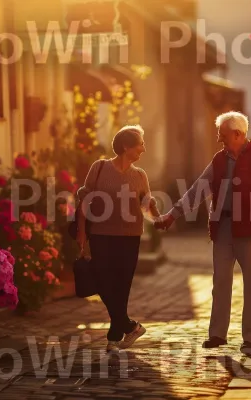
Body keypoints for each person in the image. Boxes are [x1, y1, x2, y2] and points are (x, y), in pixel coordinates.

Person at [154, 111, 251, 355]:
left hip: (250, 229)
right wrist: (172, 215)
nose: (219, 139)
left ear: (237, 134)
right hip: (223, 228)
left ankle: (250, 338)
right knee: (221, 282)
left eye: (222, 135)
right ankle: (217, 334)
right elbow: (197, 190)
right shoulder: (218, 160)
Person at [76, 125, 160, 353]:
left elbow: (146, 206)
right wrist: (81, 232)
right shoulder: (100, 168)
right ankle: (129, 326)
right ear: (126, 146)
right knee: (102, 282)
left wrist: (159, 218)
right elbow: (84, 198)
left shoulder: (139, 175)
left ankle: (114, 337)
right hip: (101, 235)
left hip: (130, 238)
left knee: (121, 288)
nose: (143, 148)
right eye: (140, 144)